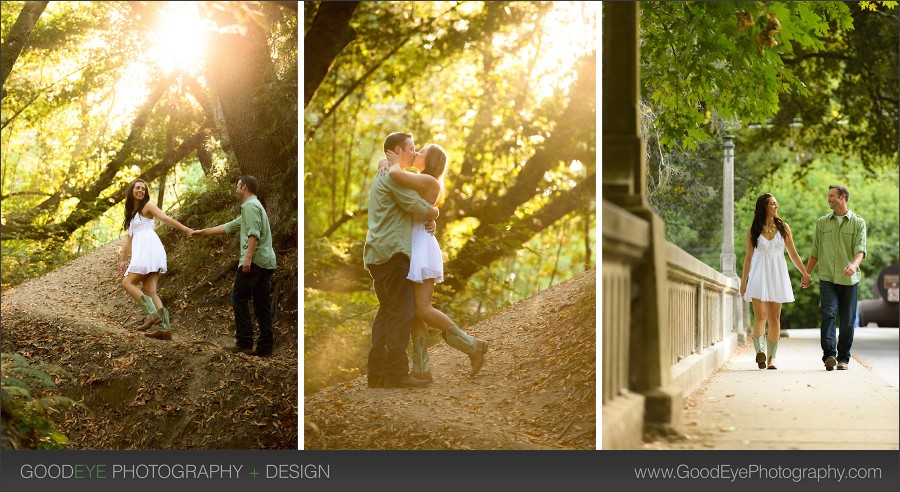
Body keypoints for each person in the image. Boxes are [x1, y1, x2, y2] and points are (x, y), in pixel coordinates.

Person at [381, 144, 488, 380]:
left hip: (422, 249)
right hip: (413, 246)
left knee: (422, 308)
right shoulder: (422, 179)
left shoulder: (430, 180)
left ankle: (473, 346)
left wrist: (390, 161)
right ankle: (421, 368)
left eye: (421, 152)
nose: (416, 152)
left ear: (430, 160)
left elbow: (396, 174)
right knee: (414, 313)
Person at [364, 132, 440, 389]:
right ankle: (396, 373)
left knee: (387, 312)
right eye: (412, 148)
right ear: (399, 149)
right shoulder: (391, 176)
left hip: (377, 253)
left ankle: (377, 375)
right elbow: (417, 206)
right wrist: (435, 212)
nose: (414, 152)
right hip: (392, 253)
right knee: (402, 312)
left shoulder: (382, 173)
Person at [192, 176, 277, 357]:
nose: (235, 189)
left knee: (238, 298)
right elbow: (229, 226)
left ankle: (244, 341)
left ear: (244, 187)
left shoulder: (250, 207)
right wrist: (202, 233)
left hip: (254, 261)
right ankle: (265, 348)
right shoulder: (253, 207)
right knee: (261, 304)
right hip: (266, 262)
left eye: (237, 186)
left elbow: (254, 234)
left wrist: (247, 259)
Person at [118, 179, 195, 340]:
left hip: (149, 249)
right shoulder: (132, 214)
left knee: (127, 283)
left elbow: (166, 219)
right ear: (131, 190)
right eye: (137, 188)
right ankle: (164, 329)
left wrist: (186, 229)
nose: (140, 190)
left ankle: (152, 315)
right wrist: (123, 260)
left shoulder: (148, 207)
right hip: (144, 250)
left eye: (143, 189)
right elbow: (129, 240)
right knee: (149, 290)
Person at [740, 193, 809, 369]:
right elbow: (748, 258)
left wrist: (805, 273)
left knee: (775, 317)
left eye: (776, 204)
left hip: (778, 274)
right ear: (764, 206)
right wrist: (743, 282)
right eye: (772, 204)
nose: (776, 207)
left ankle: (772, 358)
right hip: (758, 274)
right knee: (760, 316)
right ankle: (760, 352)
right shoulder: (753, 230)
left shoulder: (784, 228)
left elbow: (793, 254)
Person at [801, 185, 866, 371]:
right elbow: (815, 250)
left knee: (847, 320)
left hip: (849, 280)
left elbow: (860, 250)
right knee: (828, 314)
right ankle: (829, 355)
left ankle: (843, 358)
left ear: (843, 197)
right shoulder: (822, 223)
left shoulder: (858, 223)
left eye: (832, 196)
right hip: (827, 277)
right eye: (828, 196)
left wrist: (853, 266)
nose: (828, 199)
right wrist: (807, 274)